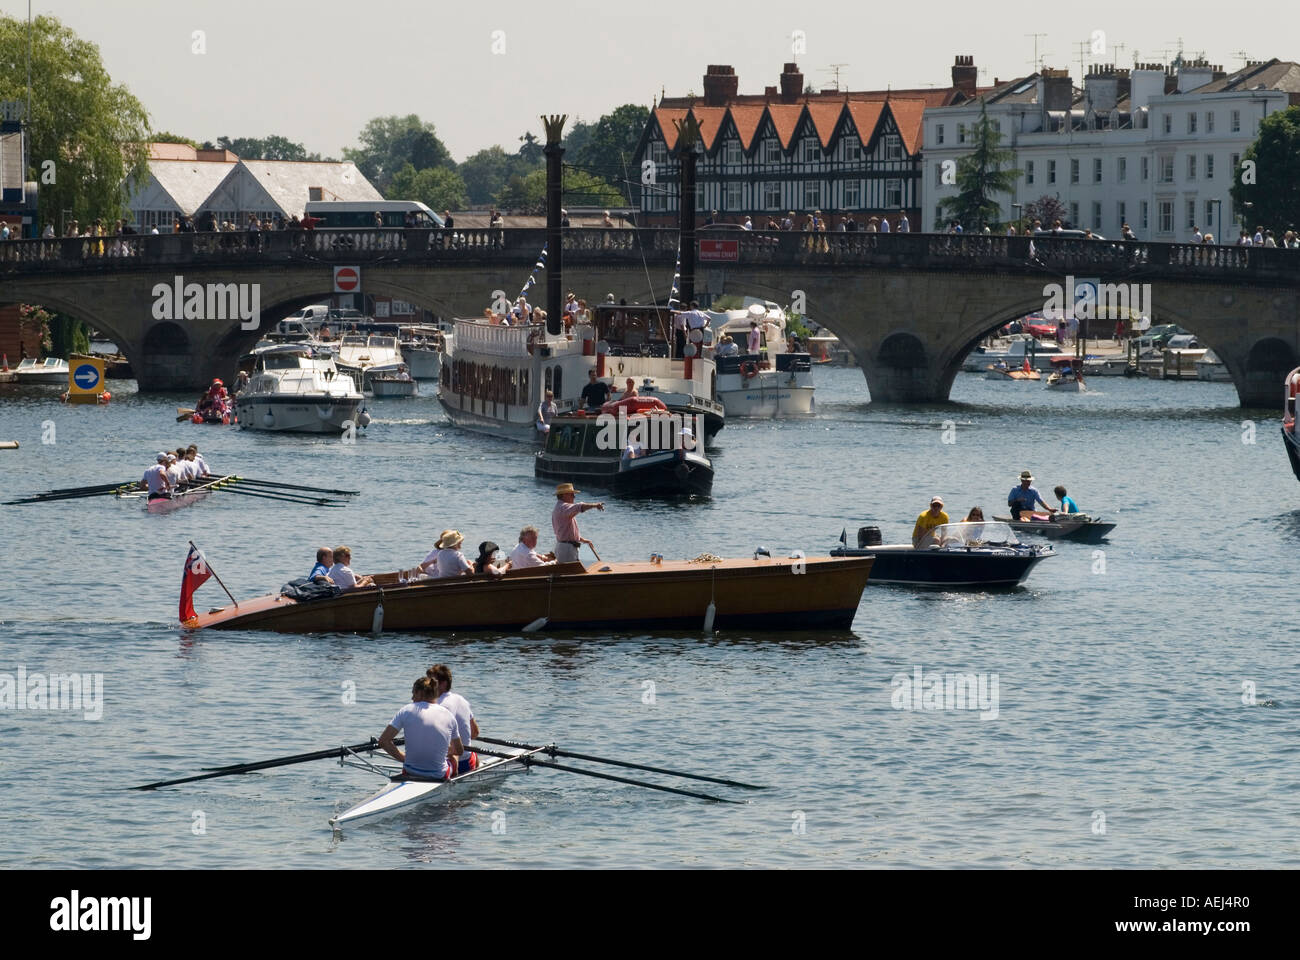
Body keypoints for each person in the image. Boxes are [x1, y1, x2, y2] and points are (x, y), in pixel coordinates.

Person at [378, 676, 463, 782]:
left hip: (410, 772)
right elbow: (459, 750)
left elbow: (383, 741)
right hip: (439, 775)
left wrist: (404, 759)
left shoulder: (406, 710)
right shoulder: (449, 715)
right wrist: (448, 751)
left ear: (420, 693)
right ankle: (453, 786)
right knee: (454, 755)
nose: (412, 698)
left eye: (414, 693)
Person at [427, 664, 480, 774]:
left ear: (443, 684)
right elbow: (475, 733)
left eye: (431, 682)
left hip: (450, 765)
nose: (427, 685)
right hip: (468, 761)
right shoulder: (462, 699)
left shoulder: (437, 705)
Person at [552, 483, 604, 563]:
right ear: (564, 495)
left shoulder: (562, 509)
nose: (574, 497)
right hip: (567, 549)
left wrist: (582, 540)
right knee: (571, 573)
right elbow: (579, 507)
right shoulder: (563, 507)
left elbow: (565, 531)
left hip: (566, 547)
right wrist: (595, 505)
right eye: (572, 494)